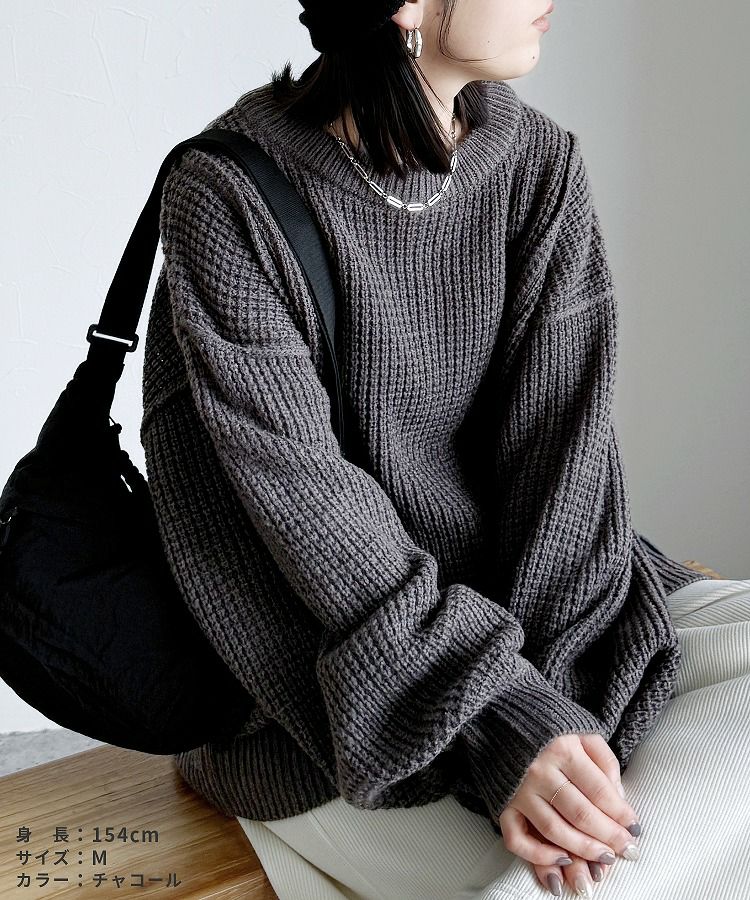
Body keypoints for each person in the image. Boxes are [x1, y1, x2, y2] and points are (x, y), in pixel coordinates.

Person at [140, 1, 750, 898]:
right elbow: (312, 523)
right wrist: (498, 720)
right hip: (328, 693)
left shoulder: (535, 162)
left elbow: (566, 464)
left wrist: (563, 715)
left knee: (627, 827)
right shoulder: (231, 197)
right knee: (598, 875)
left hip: (540, 625)